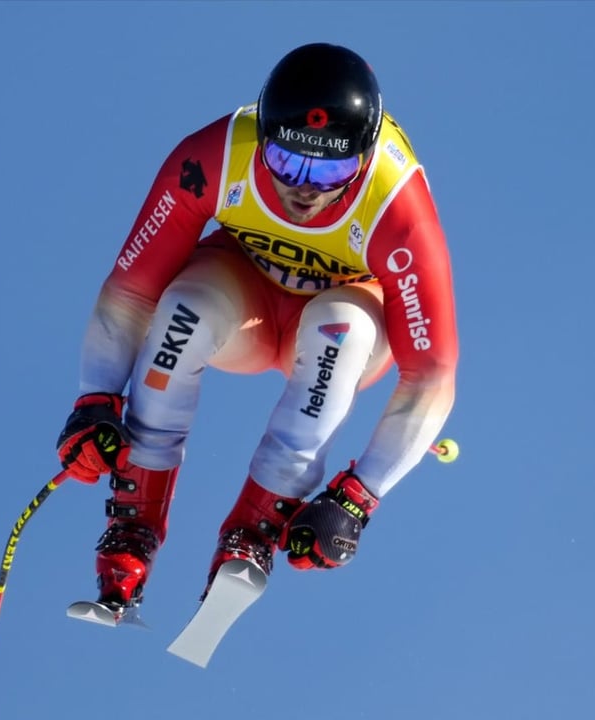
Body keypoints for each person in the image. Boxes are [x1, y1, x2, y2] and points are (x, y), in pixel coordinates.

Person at [55, 42, 458, 615]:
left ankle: (255, 530)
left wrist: (357, 498)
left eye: (333, 169)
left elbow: (432, 377)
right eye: (288, 162)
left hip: (342, 317)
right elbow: (128, 293)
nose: (306, 188)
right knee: (183, 310)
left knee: (336, 330)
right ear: (263, 137)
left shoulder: (396, 203)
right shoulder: (217, 155)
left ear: (365, 160)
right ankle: (133, 526)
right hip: (242, 300)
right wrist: (95, 400)